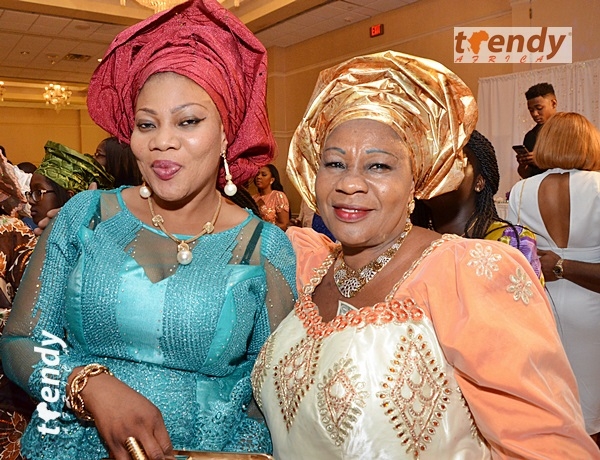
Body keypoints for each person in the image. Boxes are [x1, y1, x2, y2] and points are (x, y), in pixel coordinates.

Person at [252, 51, 598, 459]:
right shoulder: (306, 262)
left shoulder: (466, 275)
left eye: (378, 166)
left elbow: (548, 448)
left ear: (418, 180)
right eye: (334, 163)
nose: (350, 183)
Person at [1, 1, 297, 459]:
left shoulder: (265, 248)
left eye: (188, 121)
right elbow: (20, 342)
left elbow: (272, 395)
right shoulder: (86, 217)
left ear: (227, 134)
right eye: (146, 124)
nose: (162, 140)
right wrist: (87, 384)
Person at [0, 141, 113, 460]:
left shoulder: (15, 235)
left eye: (40, 193)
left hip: (58, 393)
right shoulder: (25, 238)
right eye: (30, 193)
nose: (31, 201)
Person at [508, 111, 600, 443]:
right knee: (593, 413)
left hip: (544, 311)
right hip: (593, 310)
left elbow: (518, 259)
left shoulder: (521, 191)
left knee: (556, 409)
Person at [413, 130, 542, 278]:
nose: (437, 175)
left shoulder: (512, 241)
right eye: (429, 166)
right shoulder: (407, 243)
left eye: (452, 164)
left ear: (479, 182)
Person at [517, 82, 557, 179]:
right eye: (531, 110)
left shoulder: (569, 128)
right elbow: (527, 175)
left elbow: (577, 161)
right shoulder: (530, 136)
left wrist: (542, 160)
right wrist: (523, 165)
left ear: (553, 103)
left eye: (539, 108)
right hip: (539, 186)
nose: (535, 114)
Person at [253, 164, 290, 231]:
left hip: (272, 235)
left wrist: (265, 231)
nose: (258, 177)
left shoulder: (278, 196)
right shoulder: (253, 198)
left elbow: (284, 224)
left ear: (272, 180)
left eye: (264, 175)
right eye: (257, 174)